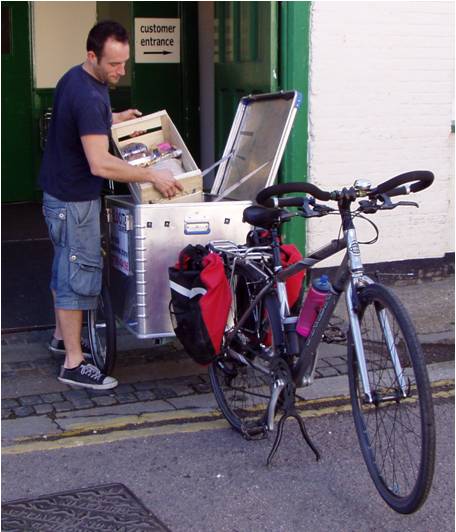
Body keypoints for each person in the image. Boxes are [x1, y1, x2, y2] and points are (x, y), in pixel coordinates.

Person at [39, 20, 183, 390]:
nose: (121, 71)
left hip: (59, 197)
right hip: (74, 201)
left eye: (125, 62)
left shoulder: (80, 79)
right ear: (92, 56)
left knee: (64, 267)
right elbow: (100, 163)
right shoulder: (88, 96)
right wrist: (153, 176)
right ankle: (74, 362)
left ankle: (60, 337)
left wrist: (114, 118)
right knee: (77, 275)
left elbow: (80, 124)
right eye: (114, 64)